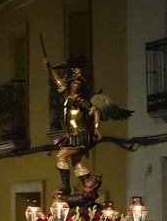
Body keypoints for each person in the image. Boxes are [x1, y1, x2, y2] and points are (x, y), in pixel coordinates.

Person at [42, 55, 132, 196]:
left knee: (60, 156)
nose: (77, 86)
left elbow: (95, 110)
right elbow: (58, 82)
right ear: (70, 84)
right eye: (75, 84)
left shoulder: (81, 101)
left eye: (79, 85)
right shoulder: (67, 97)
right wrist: (49, 68)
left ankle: (66, 188)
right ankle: (89, 186)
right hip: (72, 134)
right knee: (76, 163)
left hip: (80, 134)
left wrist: (96, 127)